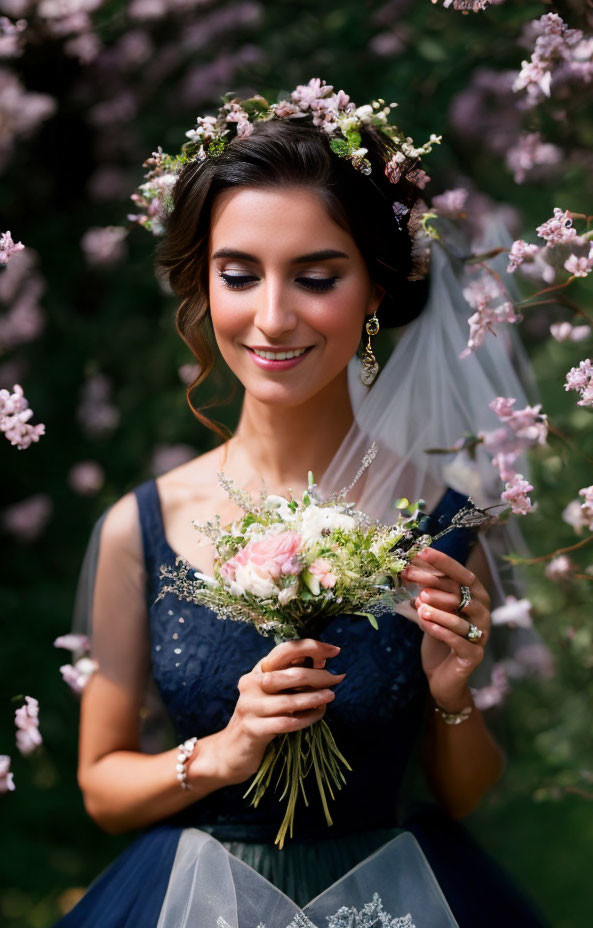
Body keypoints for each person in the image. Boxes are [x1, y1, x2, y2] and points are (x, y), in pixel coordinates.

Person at [54, 80, 551, 927]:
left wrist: (452, 691)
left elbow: (463, 794)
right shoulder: (144, 526)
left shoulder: (440, 520)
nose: (273, 318)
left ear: (375, 295)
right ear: (204, 285)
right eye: (239, 275)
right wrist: (222, 754)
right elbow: (102, 786)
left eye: (316, 277)